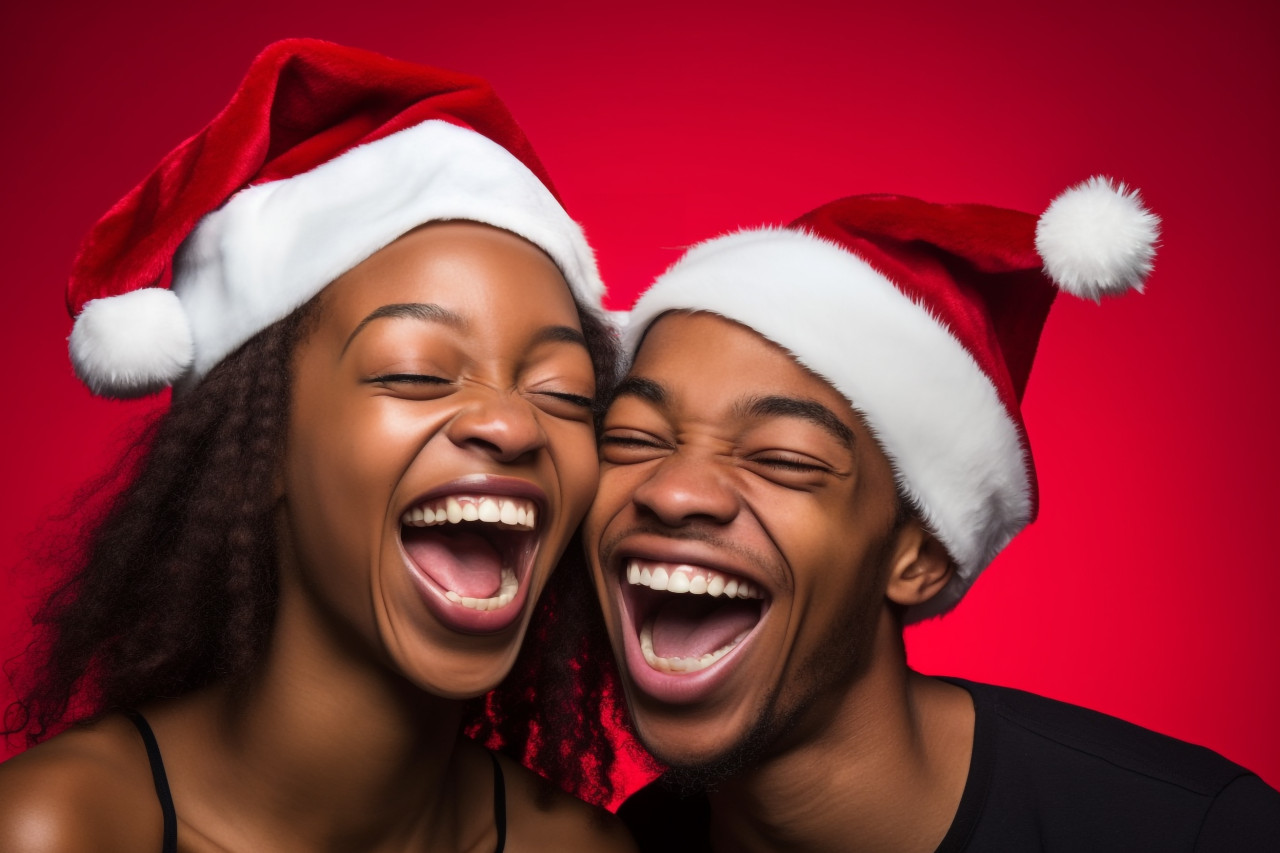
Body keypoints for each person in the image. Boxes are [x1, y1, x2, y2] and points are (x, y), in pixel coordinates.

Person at [0, 39, 633, 852]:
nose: (514, 425)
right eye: (416, 373)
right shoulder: (58, 830)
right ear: (256, 451)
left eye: (564, 392)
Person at [585, 180, 1280, 851]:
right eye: (632, 438)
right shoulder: (618, 842)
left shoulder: (1199, 833)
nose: (674, 492)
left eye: (783, 458)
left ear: (919, 557)